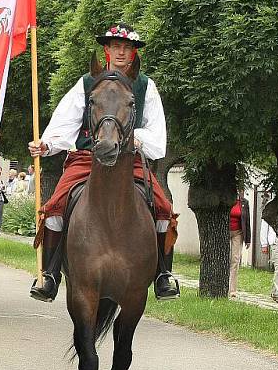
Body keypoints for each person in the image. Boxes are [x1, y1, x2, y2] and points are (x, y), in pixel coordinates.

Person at [28, 23, 178, 303]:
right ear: (106, 50)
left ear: (133, 54)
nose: (121, 52)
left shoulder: (146, 86)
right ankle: (49, 274)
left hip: (130, 160)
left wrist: (133, 139)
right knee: (54, 207)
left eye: (127, 48)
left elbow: (157, 137)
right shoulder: (86, 83)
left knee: (164, 209)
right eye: (115, 46)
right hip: (88, 159)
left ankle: (162, 275)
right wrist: (47, 144)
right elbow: (66, 122)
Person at [229, 191, 251, 297]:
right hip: (225, 231)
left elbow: (247, 221)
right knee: (224, 258)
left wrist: (248, 239)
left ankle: (232, 289)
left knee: (235, 259)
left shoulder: (244, 203)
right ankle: (222, 284)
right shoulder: (226, 200)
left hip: (238, 233)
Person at [260, 216, 278, 303]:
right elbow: (264, 226)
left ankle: (275, 291)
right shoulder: (271, 206)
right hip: (275, 240)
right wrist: (264, 244)